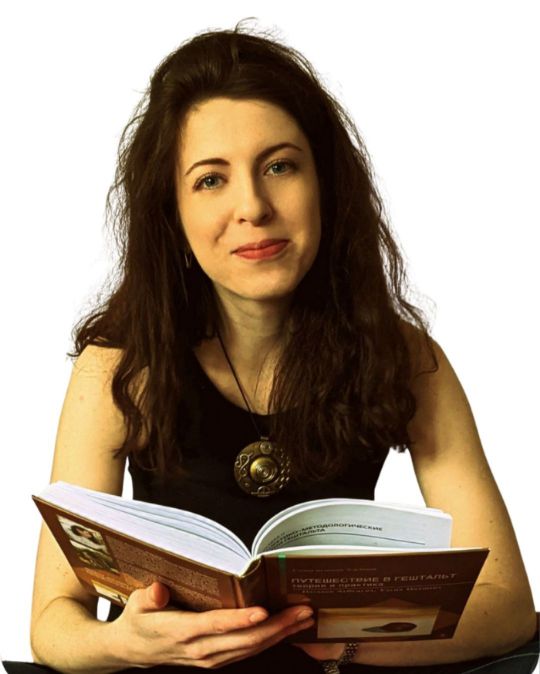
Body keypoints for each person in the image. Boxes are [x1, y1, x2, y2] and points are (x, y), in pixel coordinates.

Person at [8, 22, 537, 674]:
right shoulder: (119, 367)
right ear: (172, 213)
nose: (253, 207)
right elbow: (53, 624)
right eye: (210, 180)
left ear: (326, 185)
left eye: (279, 166)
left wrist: (348, 644)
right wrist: (128, 644)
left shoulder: (406, 361)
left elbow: (509, 606)